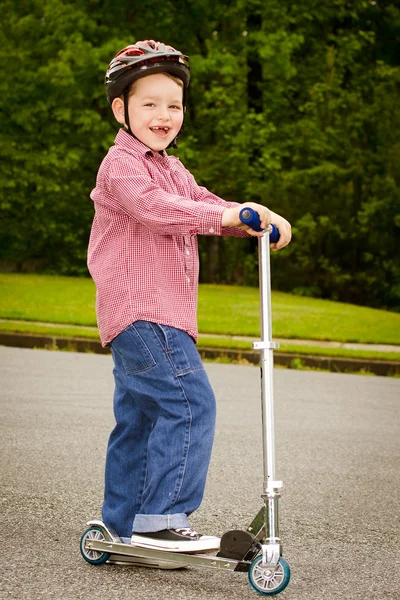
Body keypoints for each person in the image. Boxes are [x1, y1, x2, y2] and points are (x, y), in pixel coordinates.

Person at [87, 40, 291, 559]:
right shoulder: (121, 167)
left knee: (141, 418)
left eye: (173, 104)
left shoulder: (173, 168)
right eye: (149, 103)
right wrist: (225, 216)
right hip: (140, 311)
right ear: (121, 109)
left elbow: (203, 204)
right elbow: (157, 210)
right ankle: (162, 519)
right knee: (189, 404)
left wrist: (252, 214)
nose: (163, 115)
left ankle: (124, 524)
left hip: (164, 316)